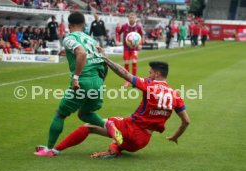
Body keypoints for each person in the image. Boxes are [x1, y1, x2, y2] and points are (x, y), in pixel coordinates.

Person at [35, 59, 190, 158]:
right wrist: (175, 136)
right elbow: (186, 121)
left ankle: (54, 150)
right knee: (120, 126)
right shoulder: (175, 95)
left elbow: (125, 74)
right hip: (142, 142)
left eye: (150, 73)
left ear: (156, 74)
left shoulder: (150, 85)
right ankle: (115, 148)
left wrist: (105, 59)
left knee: (88, 127)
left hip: (131, 130)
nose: (148, 75)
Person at [34, 11, 108, 153]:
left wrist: (76, 78)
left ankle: (49, 149)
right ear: (84, 25)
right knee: (85, 114)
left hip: (83, 81)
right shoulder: (92, 40)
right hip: (98, 81)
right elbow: (104, 62)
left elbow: (81, 53)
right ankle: (112, 128)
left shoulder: (70, 38)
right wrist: (100, 82)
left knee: (60, 114)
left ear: (70, 25)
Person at [117, 13, 143, 87]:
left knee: (134, 62)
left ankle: (134, 81)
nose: (132, 19)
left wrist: (140, 44)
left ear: (135, 19)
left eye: (133, 18)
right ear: (128, 18)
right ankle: (127, 80)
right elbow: (118, 33)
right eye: (130, 17)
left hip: (134, 48)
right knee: (127, 63)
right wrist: (117, 40)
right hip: (126, 48)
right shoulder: (124, 26)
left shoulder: (138, 27)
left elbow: (141, 35)